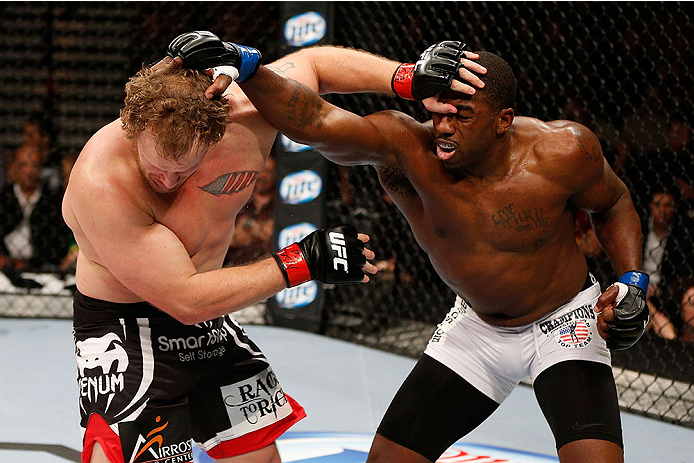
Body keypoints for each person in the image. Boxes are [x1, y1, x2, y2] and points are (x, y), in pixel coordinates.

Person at [61, 31, 489, 463]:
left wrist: (406, 78)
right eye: (156, 168)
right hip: (125, 331)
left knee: (260, 458)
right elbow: (184, 298)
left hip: (207, 318)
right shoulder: (102, 181)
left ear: (215, 132)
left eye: (183, 170)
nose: (168, 182)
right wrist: (304, 261)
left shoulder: (250, 114)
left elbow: (315, 65)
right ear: (136, 127)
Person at [220, 39, 650, 463]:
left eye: (461, 116)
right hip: (476, 329)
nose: (444, 127)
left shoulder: (563, 150)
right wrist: (250, 69)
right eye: (438, 112)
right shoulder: (407, 147)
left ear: (503, 120)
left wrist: (632, 281)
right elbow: (316, 121)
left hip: (565, 321)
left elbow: (612, 203)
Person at [0, 142, 70, 272]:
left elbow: (55, 245)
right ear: (15, 167)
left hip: (42, 267)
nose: (28, 171)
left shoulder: (52, 202)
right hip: (5, 265)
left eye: (34, 165)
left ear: (41, 168)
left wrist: (30, 263)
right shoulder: (4, 198)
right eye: (23, 165)